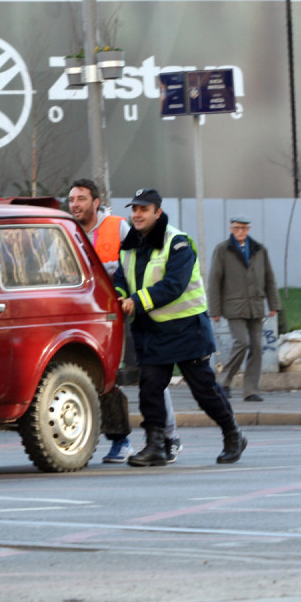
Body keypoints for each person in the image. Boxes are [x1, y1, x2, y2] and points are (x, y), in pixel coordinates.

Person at [111, 188, 247, 466]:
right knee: (150, 388)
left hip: (187, 330)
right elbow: (121, 274)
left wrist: (136, 301)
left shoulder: (178, 243)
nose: (137, 214)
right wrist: (120, 292)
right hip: (151, 330)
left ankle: (233, 435)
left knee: (203, 390)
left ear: (157, 212)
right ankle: (156, 446)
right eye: (134, 209)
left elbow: (174, 285)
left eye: (143, 209)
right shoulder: (130, 241)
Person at [67, 179, 182, 464]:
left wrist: (127, 296)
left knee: (149, 374)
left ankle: (169, 437)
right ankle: (121, 441)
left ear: (96, 202)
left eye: (81, 199)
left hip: (127, 313)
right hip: (89, 317)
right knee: (103, 378)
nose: (75, 205)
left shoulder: (118, 227)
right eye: (71, 200)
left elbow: (137, 262)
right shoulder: (67, 233)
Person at [207, 215, 281, 402]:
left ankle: (251, 390)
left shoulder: (259, 249)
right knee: (242, 342)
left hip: (255, 305)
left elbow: (269, 277)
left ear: (249, 229)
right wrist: (214, 310)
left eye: (244, 228)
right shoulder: (223, 249)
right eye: (237, 228)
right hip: (233, 306)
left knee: (256, 347)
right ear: (231, 229)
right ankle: (224, 381)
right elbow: (214, 280)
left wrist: (274, 304)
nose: (240, 231)